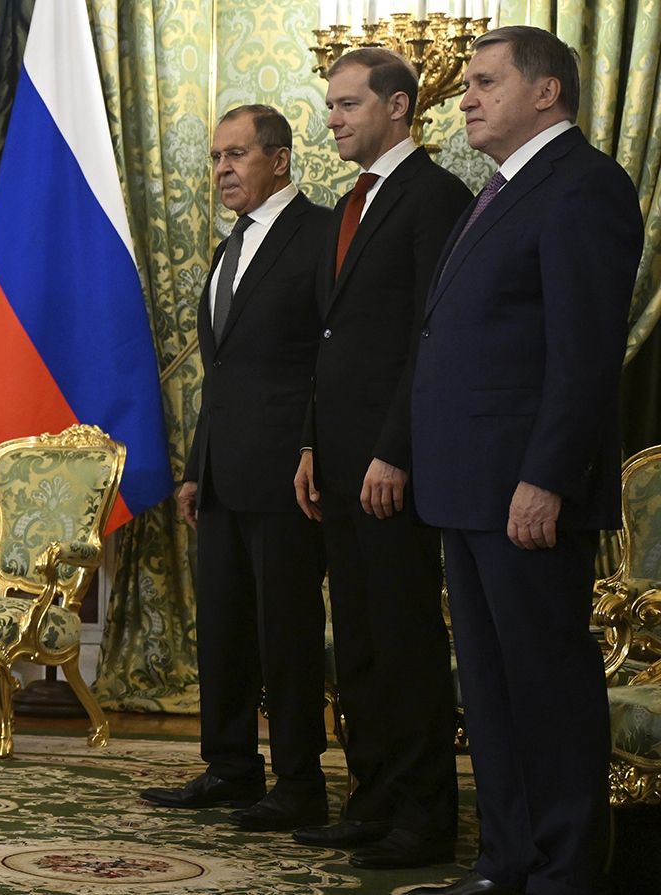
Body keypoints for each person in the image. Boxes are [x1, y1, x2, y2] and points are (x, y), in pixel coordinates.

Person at [406, 26, 640, 895]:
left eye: (483, 82)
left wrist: (544, 476)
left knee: (544, 687)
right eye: (465, 84)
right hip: (468, 488)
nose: (463, 97)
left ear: (546, 92)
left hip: (524, 490)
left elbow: (583, 356)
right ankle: (506, 863)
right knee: (496, 692)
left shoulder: (584, 187)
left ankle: (565, 871)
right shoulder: (501, 189)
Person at [290, 48, 471, 869]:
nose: (332, 119)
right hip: (335, 461)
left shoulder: (436, 196)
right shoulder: (347, 205)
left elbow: (427, 342)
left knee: (404, 643)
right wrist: (309, 445)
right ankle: (370, 799)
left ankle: (424, 815)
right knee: (356, 641)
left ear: (399, 108)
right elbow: (327, 344)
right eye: (330, 105)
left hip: (390, 467)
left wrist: (394, 451)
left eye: (347, 104)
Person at [141, 105, 329, 833]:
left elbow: (324, 365)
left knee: (285, 630)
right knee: (223, 627)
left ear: (279, 159)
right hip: (221, 474)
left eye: (237, 155)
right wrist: (196, 467)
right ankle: (229, 767)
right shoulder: (230, 248)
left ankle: (299, 780)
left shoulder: (319, 237)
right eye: (216, 157)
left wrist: (315, 449)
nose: (222, 169)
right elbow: (220, 374)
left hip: (289, 474)